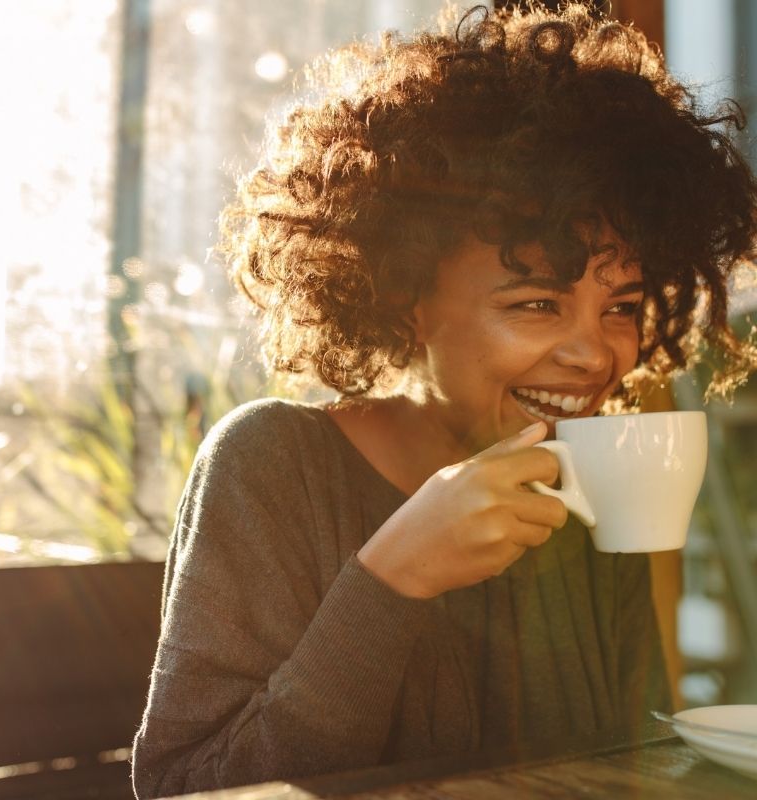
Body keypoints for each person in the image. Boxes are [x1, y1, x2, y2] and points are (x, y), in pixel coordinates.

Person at [132, 2, 757, 796]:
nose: (595, 352)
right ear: (405, 296)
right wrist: (392, 579)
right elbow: (183, 787)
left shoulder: (589, 478)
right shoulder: (271, 463)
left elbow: (626, 764)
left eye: (622, 307)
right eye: (537, 303)